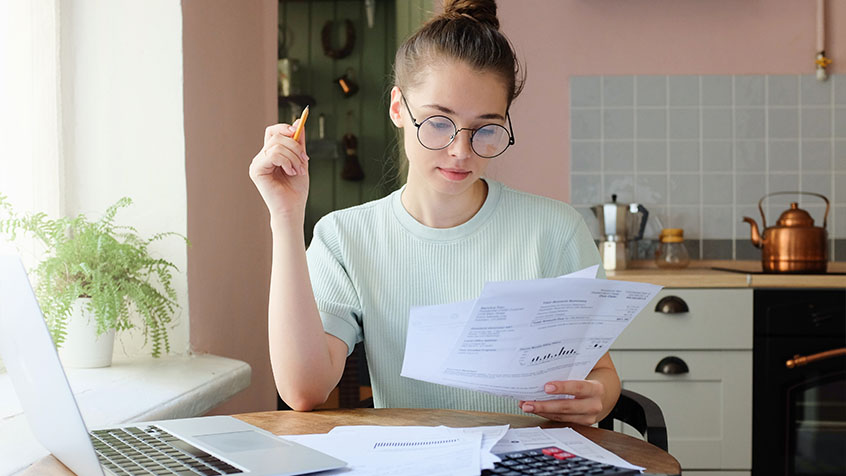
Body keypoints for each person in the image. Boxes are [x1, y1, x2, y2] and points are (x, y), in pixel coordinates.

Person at [249, 0, 620, 425]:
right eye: (439, 123)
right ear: (398, 109)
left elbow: (602, 374)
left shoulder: (555, 231)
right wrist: (286, 215)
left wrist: (599, 397)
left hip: (529, 458)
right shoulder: (345, 237)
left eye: (486, 128)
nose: (461, 151)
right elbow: (304, 390)